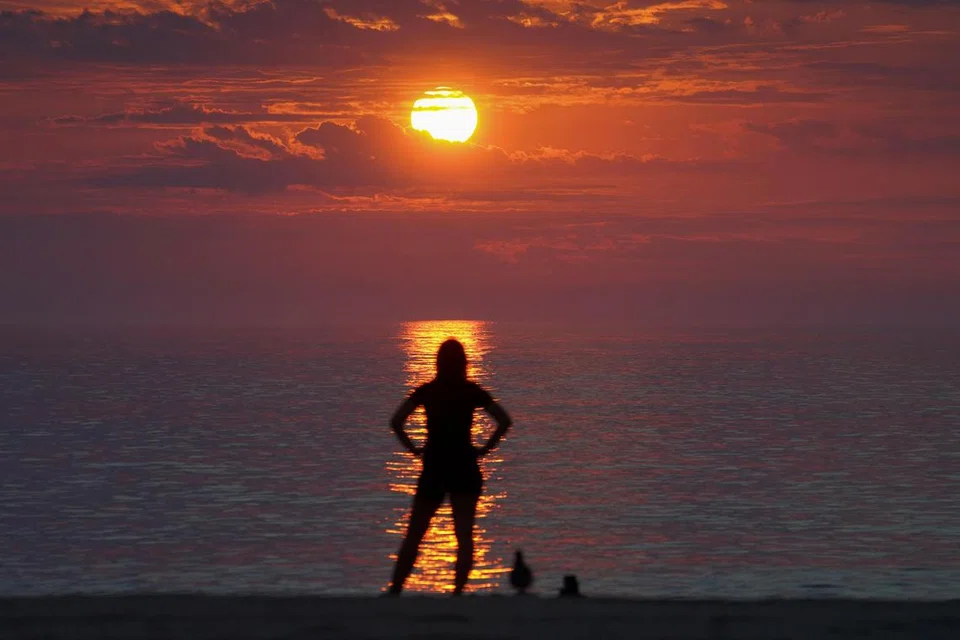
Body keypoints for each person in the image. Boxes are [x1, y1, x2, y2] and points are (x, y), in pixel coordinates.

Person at [387, 338, 512, 595]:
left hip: (434, 467)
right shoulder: (472, 391)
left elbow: (397, 421)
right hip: (465, 467)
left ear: (438, 363)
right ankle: (457, 592)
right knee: (464, 535)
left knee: (415, 533)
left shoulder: (426, 391)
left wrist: (413, 448)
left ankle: (396, 590)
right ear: (464, 363)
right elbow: (504, 420)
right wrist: (486, 448)